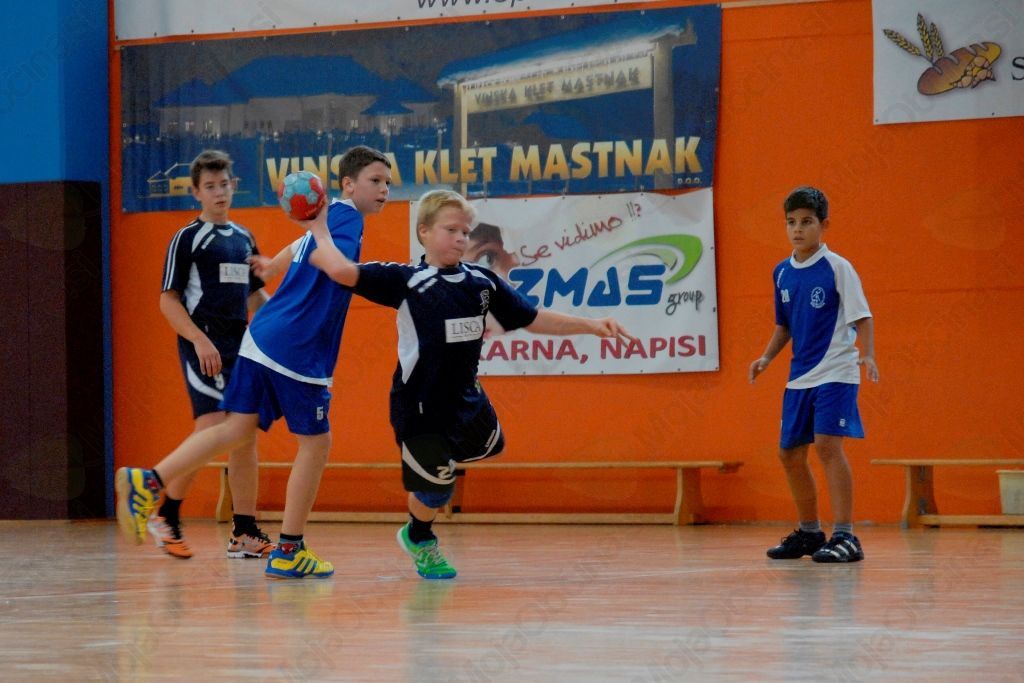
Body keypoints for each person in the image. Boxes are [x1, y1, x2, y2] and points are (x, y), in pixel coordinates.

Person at [300, 188, 636, 580]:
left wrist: (592, 325)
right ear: (424, 232)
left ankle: (430, 474)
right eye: (451, 230)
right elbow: (343, 272)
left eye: (465, 231)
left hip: (466, 398)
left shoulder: (482, 282)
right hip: (419, 404)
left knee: (491, 445)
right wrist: (319, 230)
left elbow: (532, 318)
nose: (461, 238)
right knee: (438, 489)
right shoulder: (405, 280)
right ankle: (419, 536)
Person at [116, 145, 393, 579]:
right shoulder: (345, 219)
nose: (384, 189)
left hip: (258, 337)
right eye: (375, 181)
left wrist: (271, 264)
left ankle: (149, 481)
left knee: (237, 430)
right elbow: (336, 267)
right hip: (296, 346)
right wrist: (375, 274)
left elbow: (299, 246)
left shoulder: (327, 216)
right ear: (347, 185)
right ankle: (289, 549)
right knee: (315, 443)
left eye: (388, 182)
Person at [152, 149, 274, 559]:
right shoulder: (188, 238)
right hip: (202, 345)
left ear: (233, 186)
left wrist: (286, 324)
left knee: (244, 435)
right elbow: (168, 301)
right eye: (210, 186)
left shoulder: (243, 238)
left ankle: (244, 531)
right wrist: (200, 341)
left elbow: (255, 297)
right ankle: (166, 514)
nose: (219, 192)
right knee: (211, 426)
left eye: (224, 184)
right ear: (196, 192)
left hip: (241, 350)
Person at [749, 186, 879, 564]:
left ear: (824, 225)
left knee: (826, 446)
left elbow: (862, 317)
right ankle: (809, 532)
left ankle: (846, 536)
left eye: (806, 222)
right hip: (799, 375)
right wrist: (766, 357)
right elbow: (784, 325)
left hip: (837, 370)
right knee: (788, 453)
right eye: (791, 222)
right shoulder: (782, 272)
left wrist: (868, 354)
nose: (798, 229)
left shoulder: (838, 267)